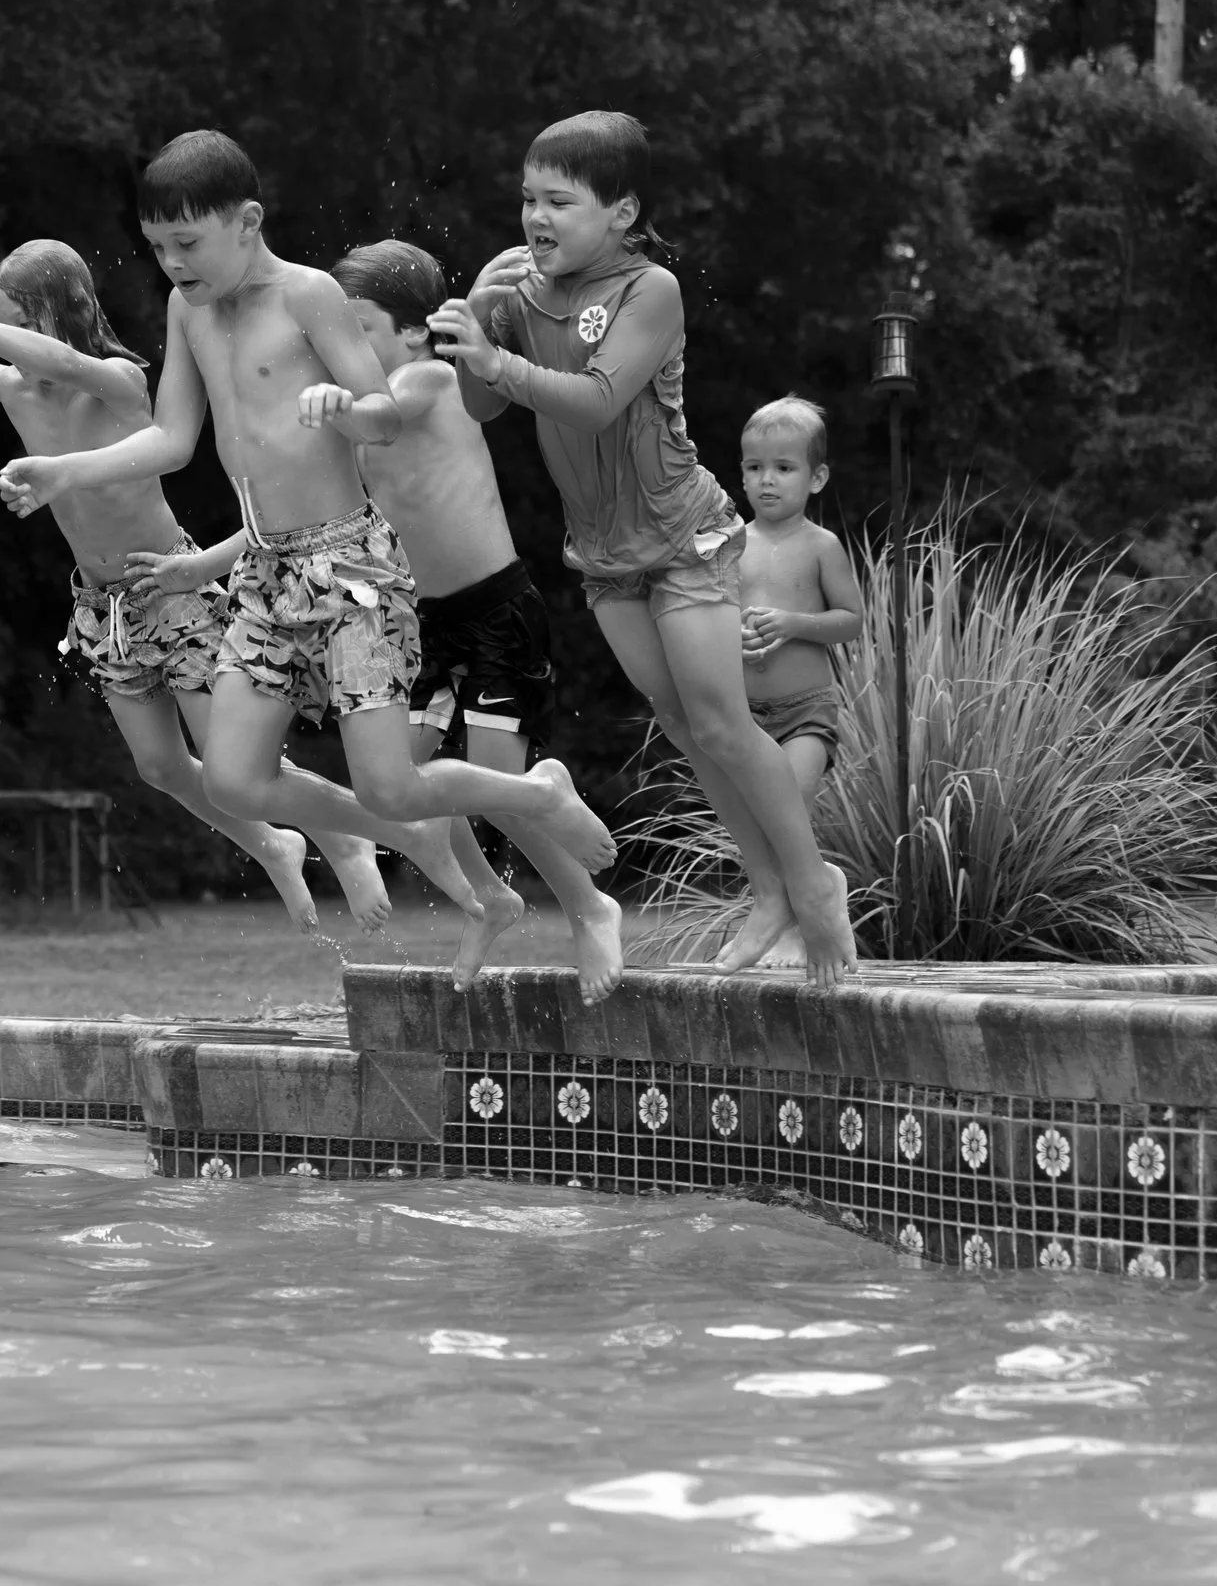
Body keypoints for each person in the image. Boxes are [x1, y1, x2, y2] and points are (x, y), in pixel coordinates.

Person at [0, 132, 617, 889]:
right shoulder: (187, 310)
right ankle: (391, 839)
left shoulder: (308, 295)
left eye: (188, 243)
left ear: (248, 222)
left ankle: (538, 793)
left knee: (391, 785)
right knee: (231, 780)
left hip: (350, 565)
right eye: (158, 247)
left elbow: (384, 413)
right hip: (266, 567)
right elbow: (171, 439)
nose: (174, 263)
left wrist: (345, 408)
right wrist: (63, 470)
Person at [0, 242, 419, 932]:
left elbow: (61, 362)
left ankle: (346, 838)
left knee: (234, 762)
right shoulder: (14, 389)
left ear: (67, 314)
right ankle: (275, 846)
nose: (10, 342)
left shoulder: (116, 381)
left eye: (23, 325)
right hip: (103, 608)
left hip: (172, 588)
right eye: (1, 325)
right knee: (160, 767)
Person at [429, 110, 856, 986]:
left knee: (722, 721)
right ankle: (769, 890)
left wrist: (494, 359)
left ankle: (816, 886)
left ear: (621, 212)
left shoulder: (649, 290)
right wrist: (479, 323)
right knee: (687, 727)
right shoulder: (519, 291)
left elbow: (596, 400)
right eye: (528, 198)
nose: (536, 217)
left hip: (684, 535)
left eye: (559, 201)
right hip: (603, 552)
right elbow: (482, 408)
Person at [329, 239, 625, 1002]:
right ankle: (491, 897)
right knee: (404, 786)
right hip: (422, 622)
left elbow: (382, 416)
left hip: (496, 609)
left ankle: (589, 906)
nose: (341, 346)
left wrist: (327, 405)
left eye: (358, 328)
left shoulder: (424, 380)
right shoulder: (359, 410)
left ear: (413, 332)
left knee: (495, 787)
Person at [736, 395, 865, 966]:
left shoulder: (820, 546)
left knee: (787, 806)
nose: (767, 480)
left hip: (806, 709)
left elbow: (851, 620)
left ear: (816, 478)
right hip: (744, 714)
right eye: (754, 467)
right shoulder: (730, 545)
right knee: (762, 821)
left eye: (784, 468)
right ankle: (799, 897)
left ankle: (799, 919)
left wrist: (792, 624)